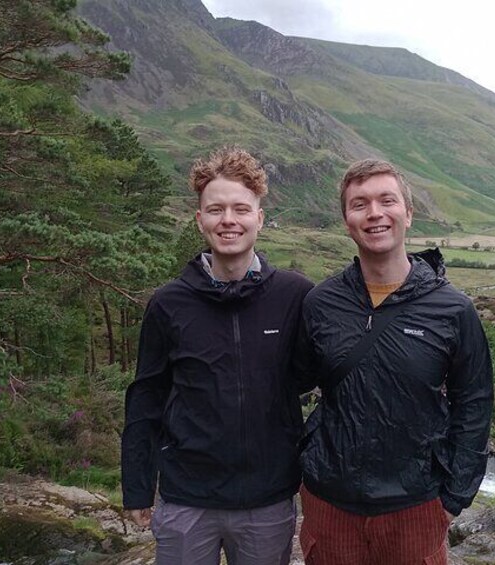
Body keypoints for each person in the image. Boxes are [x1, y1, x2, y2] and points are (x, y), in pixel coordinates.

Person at [121, 147, 313, 565]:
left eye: (241, 209)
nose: (229, 220)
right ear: (200, 220)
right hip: (186, 500)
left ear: (259, 219)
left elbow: (322, 375)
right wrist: (137, 485)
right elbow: (146, 397)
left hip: (267, 499)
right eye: (216, 209)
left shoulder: (295, 295)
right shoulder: (169, 303)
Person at [296, 159, 494, 564]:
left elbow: (474, 402)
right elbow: (290, 385)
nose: (374, 214)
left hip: (415, 505)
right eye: (360, 204)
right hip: (329, 502)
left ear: (408, 213)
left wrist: (455, 495)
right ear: (346, 219)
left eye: (387, 200)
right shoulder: (321, 303)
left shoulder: (453, 310)